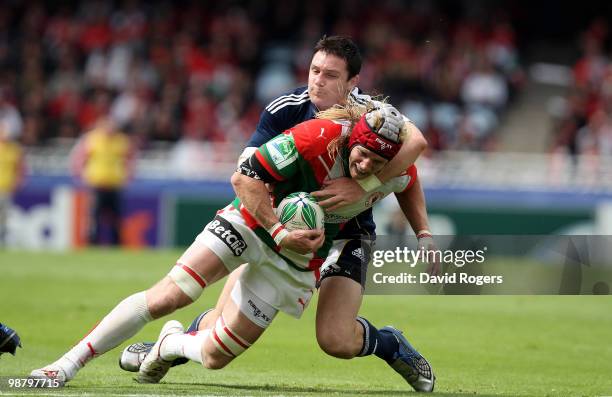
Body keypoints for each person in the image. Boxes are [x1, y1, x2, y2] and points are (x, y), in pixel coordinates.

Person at [30, 105, 427, 389]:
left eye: (377, 162)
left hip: (296, 261)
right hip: (253, 221)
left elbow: (408, 181)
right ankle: (65, 365)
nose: (365, 166)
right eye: (362, 156)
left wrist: (423, 235)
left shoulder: (387, 169)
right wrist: (277, 229)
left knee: (217, 357)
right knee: (171, 294)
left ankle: (171, 343)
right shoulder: (315, 136)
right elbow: (245, 178)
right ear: (352, 140)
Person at [122, 35, 437, 391]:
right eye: (315, 70)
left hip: (348, 236)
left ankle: (390, 343)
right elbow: (248, 169)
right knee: (219, 328)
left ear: (353, 84)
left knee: (335, 340)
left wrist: (375, 196)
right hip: (281, 229)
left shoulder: (375, 120)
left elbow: (410, 161)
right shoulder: (286, 108)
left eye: (331, 75)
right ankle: (165, 349)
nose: (318, 80)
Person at [70, 118, 134, 246]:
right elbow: (79, 159)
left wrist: (128, 176)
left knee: (117, 217)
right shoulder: (92, 140)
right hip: (97, 185)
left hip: (115, 185)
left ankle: (117, 243)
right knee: (94, 217)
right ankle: (92, 243)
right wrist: (82, 176)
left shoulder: (122, 141)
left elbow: (129, 160)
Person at [0, 124, 25, 245]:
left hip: (6, 188)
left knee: (4, 217)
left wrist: (18, 182)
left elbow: (20, 168)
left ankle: (2, 240)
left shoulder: (15, 149)